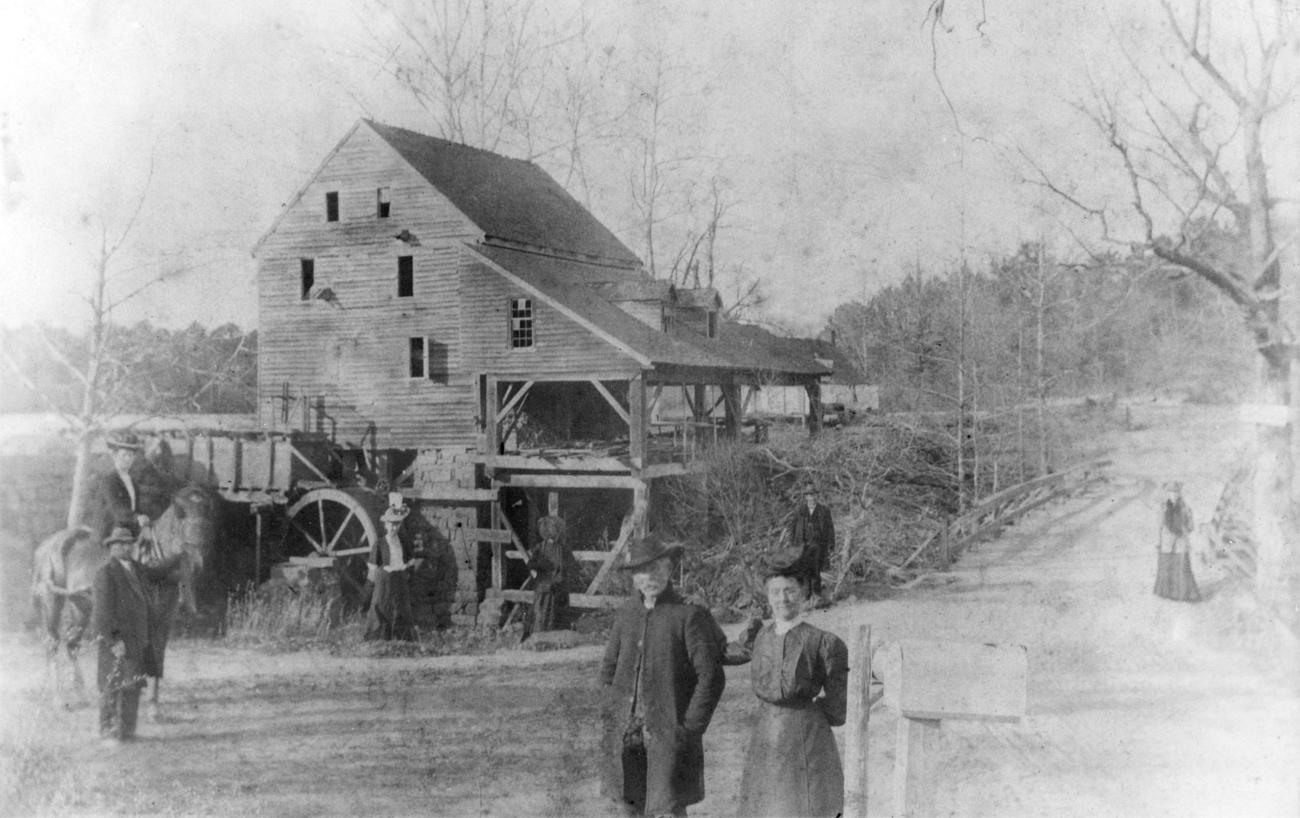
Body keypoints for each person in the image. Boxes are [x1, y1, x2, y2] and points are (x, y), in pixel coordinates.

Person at [599, 534, 727, 818]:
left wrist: (690, 727)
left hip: (669, 734)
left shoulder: (687, 616)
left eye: (657, 569)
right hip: (626, 733)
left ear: (669, 570)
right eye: (642, 571)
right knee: (627, 805)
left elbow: (711, 677)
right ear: (633, 578)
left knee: (666, 807)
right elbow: (608, 669)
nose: (650, 578)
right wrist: (612, 715)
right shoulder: (626, 614)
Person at [727, 547, 848, 818]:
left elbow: (838, 707)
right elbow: (722, 653)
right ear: (767, 596)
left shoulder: (822, 641)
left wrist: (810, 717)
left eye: (790, 590)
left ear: (805, 591)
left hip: (806, 738)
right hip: (766, 735)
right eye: (775, 592)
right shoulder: (758, 636)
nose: (782, 599)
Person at [91, 525, 151, 744]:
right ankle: (107, 730)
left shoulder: (139, 570)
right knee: (111, 683)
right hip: (116, 640)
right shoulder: (105, 574)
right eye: (120, 544)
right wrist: (113, 640)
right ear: (112, 547)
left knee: (132, 682)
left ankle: (127, 731)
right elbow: (102, 612)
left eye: (128, 543)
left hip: (137, 638)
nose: (125, 547)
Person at [363, 493, 419, 641]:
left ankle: (402, 641)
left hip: (400, 579)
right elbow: (372, 570)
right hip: (384, 580)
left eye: (397, 524)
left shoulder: (404, 542)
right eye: (391, 524)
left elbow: (410, 563)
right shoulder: (379, 544)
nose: (394, 527)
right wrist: (367, 593)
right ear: (385, 525)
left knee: (401, 610)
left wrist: (409, 579)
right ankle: (379, 641)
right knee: (381, 608)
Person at [89, 432, 151, 544]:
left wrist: (144, 517)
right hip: (109, 531)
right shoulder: (109, 480)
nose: (128, 459)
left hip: (129, 530)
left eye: (131, 455)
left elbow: (134, 508)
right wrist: (137, 518)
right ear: (115, 456)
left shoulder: (132, 481)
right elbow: (117, 508)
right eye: (124, 455)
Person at [1154, 481, 1200, 602]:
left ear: (1179, 494)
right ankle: (1166, 593)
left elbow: (1191, 526)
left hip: (1180, 541)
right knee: (1166, 566)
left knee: (1181, 566)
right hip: (1167, 542)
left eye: (1175, 493)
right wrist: (1159, 540)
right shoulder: (1163, 507)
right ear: (1167, 494)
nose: (1173, 495)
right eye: (1170, 493)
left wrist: (1183, 529)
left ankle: (1184, 594)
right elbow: (1159, 525)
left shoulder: (1185, 508)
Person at [527, 513, 573, 634]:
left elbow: (568, 565)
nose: (554, 536)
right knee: (541, 612)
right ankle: (539, 635)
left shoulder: (562, 548)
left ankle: (553, 636)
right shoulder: (540, 548)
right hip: (543, 587)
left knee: (555, 614)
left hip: (557, 587)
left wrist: (559, 578)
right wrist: (538, 577)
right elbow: (531, 565)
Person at [789, 485, 835, 601]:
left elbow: (830, 528)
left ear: (816, 495)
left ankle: (817, 595)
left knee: (816, 570)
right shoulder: (799, 510)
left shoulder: (824, 510)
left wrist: (831, 544)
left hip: (818, 545)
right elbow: (793, 528)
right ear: (805, 497)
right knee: (804, 570)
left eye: (813, 494)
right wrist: (792, 545)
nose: (811, 497)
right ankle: (806, 595)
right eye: (809, 495)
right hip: (803, 545)